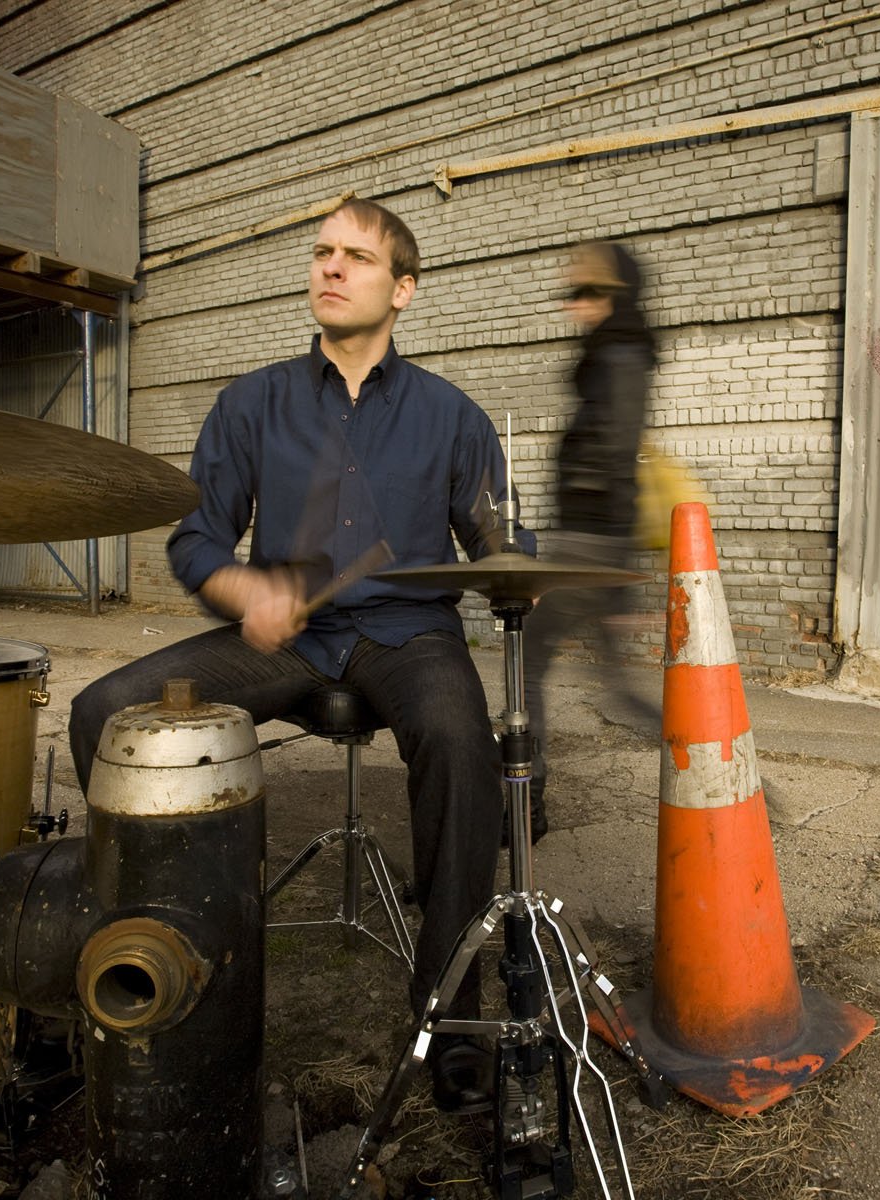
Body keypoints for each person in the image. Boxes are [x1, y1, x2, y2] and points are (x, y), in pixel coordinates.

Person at [68, 197, 528, 1115]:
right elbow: (197, 541)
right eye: (322, 252)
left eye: (355, 257)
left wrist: (523, 570)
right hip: (292, 639)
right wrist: (244, 590)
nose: (330, 267)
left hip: (410, 636)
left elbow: (501, 549)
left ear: (403, 290)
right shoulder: (251, 404)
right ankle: (158, 954)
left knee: (460, 741)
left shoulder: (454, 417)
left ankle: (451, 1017)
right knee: (103, 712)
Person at [521, 241, 659, 843]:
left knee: (523, 664)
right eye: (571, 294)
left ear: (613, 296)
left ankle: (527, 802)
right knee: (620, 689)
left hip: (591, 546)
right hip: (594, 544)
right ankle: (716, 760)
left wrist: (612, 569)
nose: (575, 307)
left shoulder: (621, 353)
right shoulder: (610, 353)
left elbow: (619, 459)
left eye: (586, 294)